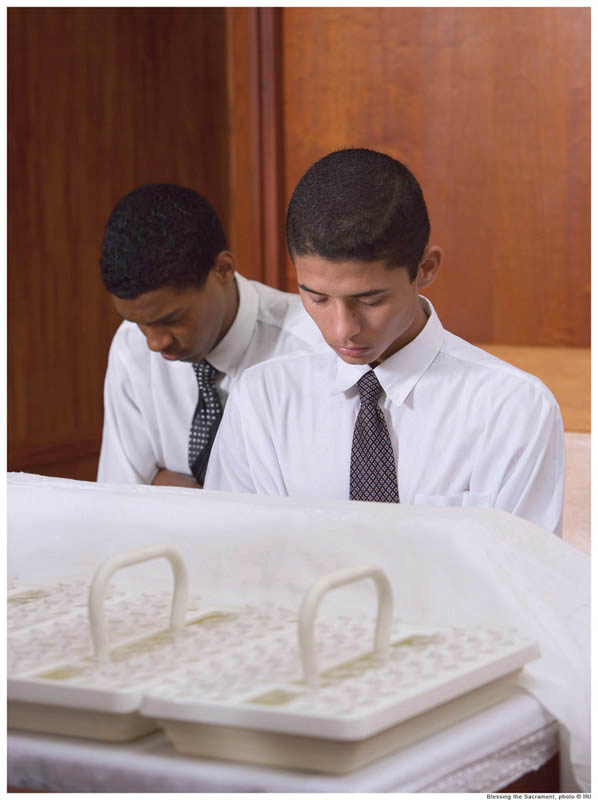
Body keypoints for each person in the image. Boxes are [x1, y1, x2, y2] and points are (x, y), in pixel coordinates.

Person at [204, 148, 565, 534]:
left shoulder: (510, 409)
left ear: (426, 268)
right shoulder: (263, 399)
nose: (343, 329)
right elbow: (233, 557)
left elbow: (521, 581)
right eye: (317, 298)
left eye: (370, 300)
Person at [97, 183, 324, 487]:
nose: (154, 342)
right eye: (139, 322)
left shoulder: (315, 349)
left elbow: (318, 510)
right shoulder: (131, 345)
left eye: (171, 319)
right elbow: (120, 502)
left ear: (223, 269)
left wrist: (169, 488)